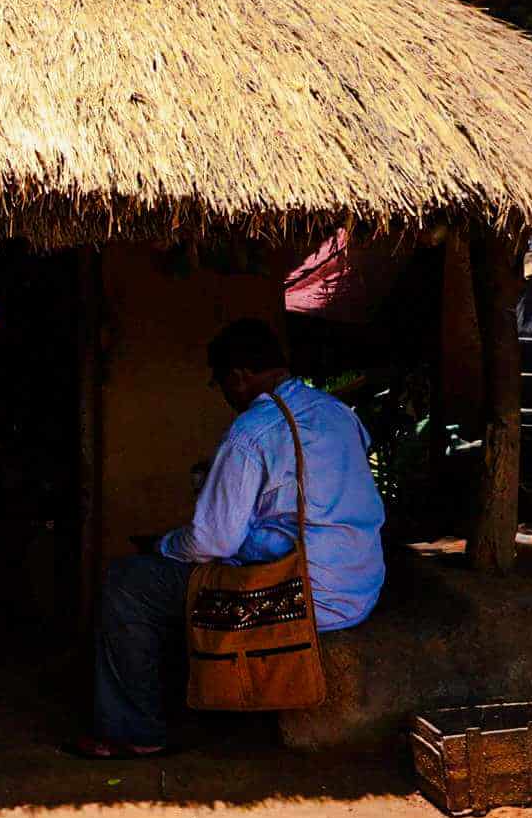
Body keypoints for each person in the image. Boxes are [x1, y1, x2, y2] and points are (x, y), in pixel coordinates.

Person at [71, 318, 386, 759]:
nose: (223, 396)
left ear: (238, 378)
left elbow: (211, 542)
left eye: (220, 384)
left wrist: (162, 546)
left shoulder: (252, 431)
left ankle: (132, 731)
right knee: (195, 575)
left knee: (130, 583)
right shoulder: (338, 413)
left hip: (301, 595)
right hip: (359, 586)